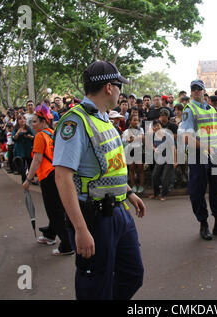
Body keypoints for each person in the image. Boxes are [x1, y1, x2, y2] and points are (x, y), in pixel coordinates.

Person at [53, 60, 145, 300]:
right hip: (93, 218)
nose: (120, 91)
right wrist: (80, 228)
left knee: (133, 274)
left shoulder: (104, 119)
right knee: (95, 285)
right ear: (108, 87)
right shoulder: (75, 122)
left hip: (118, 211)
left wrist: (129, 193)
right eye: (118, 86)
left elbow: (108, 169)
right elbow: (62, 177)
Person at [179, 79, 217, 241]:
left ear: (204, 91)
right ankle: (203, 224)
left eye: (199, 89)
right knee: (198, 191)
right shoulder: (189, 110)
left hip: (214, 154)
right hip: (198, 155)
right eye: (193, 89)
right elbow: (186, 138)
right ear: (191, 92)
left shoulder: (211, 109)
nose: (196, 91)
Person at [23, 107, 74, 256]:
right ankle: (50, 235)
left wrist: (28, 179)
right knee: (58, 207)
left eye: (34, 122)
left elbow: (37, 159)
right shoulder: (53, 133)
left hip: (48, 176)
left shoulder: (39, 136)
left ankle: (67, 244)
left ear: (43, 121)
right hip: (57, 173)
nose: (32, 125)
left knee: (54, 211)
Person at [150, 120, 176, 201]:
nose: (156, 127)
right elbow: (151, 144)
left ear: (161, 126)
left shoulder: (168, 135)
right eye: (154, 126)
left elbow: (173, 148)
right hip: (160, 158)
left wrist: (175, 161)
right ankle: (156, 194)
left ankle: (163, 195)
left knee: (165, 177)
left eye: (158, 125)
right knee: (154, 176)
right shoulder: (153, 135)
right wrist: (154, 149)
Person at [122, 114, 145, 194]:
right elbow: (128, 140)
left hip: (138, 149)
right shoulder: (126, 131)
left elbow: (142, 137)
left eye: (137, 120)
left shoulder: (141, 129)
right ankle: (133, 186)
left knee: (140, 168)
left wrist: (134, 138)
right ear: (130, 121)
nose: (136, 122)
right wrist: (136, 137)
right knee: (131, 168)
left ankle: (141, 185)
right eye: (134, 120)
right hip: (130, 150)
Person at [12, 113, 35, 182]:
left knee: (30, 164)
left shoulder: (28, 128)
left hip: (28, 148)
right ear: (17, 121)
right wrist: (18, 133)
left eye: (24, 118)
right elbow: (13, 139)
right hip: (19, 149)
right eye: (20, 119)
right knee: (21, 164)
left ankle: (31, 178)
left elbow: (34, 137)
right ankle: (24, 178)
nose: (22, 120)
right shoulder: (15, 129)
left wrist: (30, 137)